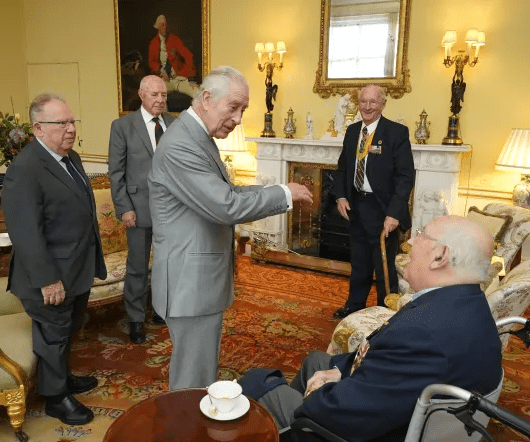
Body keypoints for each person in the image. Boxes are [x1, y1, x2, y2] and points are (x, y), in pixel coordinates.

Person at [239, 215, 503, 441]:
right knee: (317, 362)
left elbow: (347, 414)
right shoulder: (467, 303)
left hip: (365, 430)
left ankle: (291, 429)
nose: (410, 241)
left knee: (258, 383)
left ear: (439, 256)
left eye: (421, 234)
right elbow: (389, 371)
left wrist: (318, 396)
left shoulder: (423, 333)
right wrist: (339, 371)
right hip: (392, 405)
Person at [148, 66, 313, 390]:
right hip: (188, 283)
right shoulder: (183, 144)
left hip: (197, 281)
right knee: (191, 381)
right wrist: (282, 194)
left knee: (200, 371)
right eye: (234, 107)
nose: (238, 119)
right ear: (207, 98)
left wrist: (281, 191)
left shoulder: (197, 136)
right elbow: (226, 206)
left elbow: (230, 193)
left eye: (244, 110)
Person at [2, 94, 107, 425]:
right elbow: (26, 232)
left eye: (72, 122)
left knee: (69, 329)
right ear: (37, 128)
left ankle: (62, 378)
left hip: (76, 269)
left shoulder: (70, 157)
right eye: (61, 123)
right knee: (53, 333)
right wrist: (47, 278)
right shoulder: (26, 168)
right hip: (49, 275)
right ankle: (56, 398)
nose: (70, 129)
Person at [332, 84, 415, 319]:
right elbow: (341, 168)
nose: (367, 107)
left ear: (383, 104)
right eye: (363, 102)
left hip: (383, 210)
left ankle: (386, 311)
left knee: (384, 264)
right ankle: (354, 306)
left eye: (373, 102)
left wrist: (395, 213)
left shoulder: (396, 133)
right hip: (356, 207)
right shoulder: (352, 131)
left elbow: (405, 177)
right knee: (359, 262)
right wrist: (340, 196)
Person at [108, 75, 175, 344]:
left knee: (165, 264)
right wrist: (124, 207)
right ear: (141, 95)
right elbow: (116, 172)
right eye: (155, 95)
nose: (160, 100)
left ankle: (160, 309)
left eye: (164, 95)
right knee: (137, 267)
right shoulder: (123, 126)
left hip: (171, 210)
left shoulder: (174, 123)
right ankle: (136, 319)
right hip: (138, 208)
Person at [148, 14, 197, 98]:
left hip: (179, 78)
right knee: (157, 97)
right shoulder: (153, 43)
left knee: (198, 93)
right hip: (164, 81)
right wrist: (161, 71)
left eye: (166, 24)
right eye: (162, 25)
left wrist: (191, 79)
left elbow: (189, 56)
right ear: (158, 27)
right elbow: (151, 62)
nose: (165, 27)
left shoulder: (174, 39)